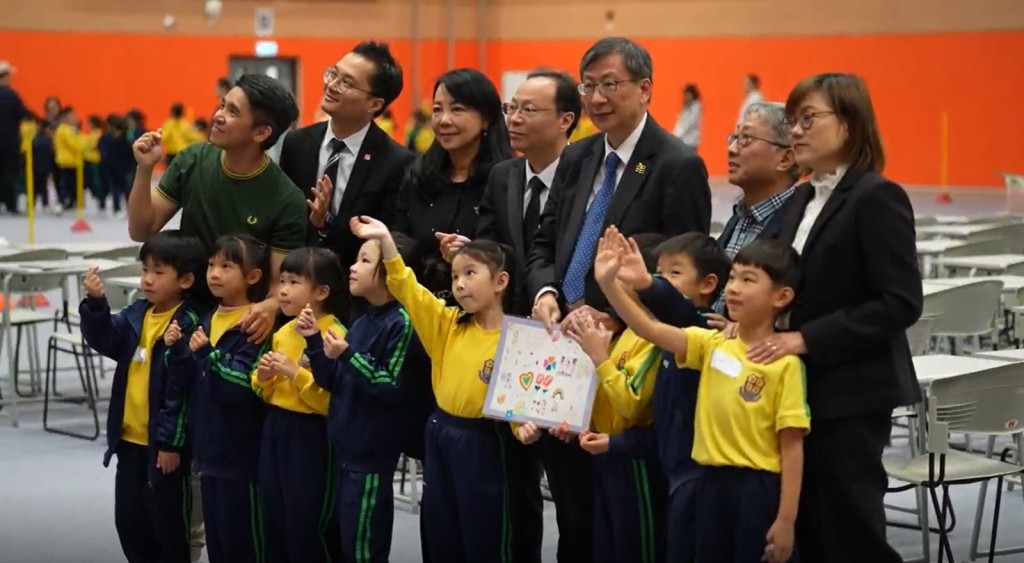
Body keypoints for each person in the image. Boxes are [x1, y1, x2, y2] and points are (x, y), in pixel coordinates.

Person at [760, 72, 922, 563]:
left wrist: (805, 338)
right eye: (792, 121)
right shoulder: (801, 197)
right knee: (806, 529)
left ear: (849, 123)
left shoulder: (877, 197)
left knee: (849, 531)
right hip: (795, 386)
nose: (796, 131)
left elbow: (899, 302)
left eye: (808, 119)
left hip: (850, 391)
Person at [598, 232, 809, 563]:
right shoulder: (711, 343)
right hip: (707, 484)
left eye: (748, 280)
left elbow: (792, 446)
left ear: (782, 296)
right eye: (733, 277)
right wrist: (608, 283)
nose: (734, 288)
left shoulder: (785, 365)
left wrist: (786, 520)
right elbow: (648, 328)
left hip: (757, 489)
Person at [350, 215, 520, 563]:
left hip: (487, 440)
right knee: (441, 531)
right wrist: (385, 240)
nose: (460, 284)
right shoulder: (446, 323)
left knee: (484, 533)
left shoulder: (519, 338)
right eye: (455, 276)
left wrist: (523, 425)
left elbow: (524, 398)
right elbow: (408, 289)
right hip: (441, 432)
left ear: (500, 281)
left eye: (470, 273)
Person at [529, 37, 711, 339]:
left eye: (609, 84)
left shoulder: (678, 165)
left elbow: (685, 270)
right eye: (588, 86)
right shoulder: (576, 156)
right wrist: (546, 293)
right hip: (558, 330)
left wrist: (617, 316)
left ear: (644, 89)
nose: (596, 98)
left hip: (630, 337)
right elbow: (545, 242)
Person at [471, 68, 581, 563]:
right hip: (512, 344)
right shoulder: (503, 175)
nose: (513, 118)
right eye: (510, 108)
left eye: (528, 110)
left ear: (565, 120)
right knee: (513, 484)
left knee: (570, 487)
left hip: (566, 344)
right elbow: (492, 243)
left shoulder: (584, 177)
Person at [128, 73, 306, 340]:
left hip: (238, 327)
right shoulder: (192, 161)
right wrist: (144, 170)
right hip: (183, 315)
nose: (218, 116)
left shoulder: (287, 199)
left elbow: (279, 284)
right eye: (222, 105)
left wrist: (270, 306)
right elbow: (141, 230)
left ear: (261, 132)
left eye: (233, 112)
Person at [78, 231, 208, 563]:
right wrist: (96, 304)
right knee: (130, 524)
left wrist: (171, 443)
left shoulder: (189, 324)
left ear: (185, 280)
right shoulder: (138, 313)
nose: (147, 279)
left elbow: (182, 391)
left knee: (168, 528)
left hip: (164, 449)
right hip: (129, 442)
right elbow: (106, 339)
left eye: (158, 272)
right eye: (145, 269)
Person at [299, 234, 430, 563]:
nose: (353, 268)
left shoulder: (402, 323)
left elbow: (391, 385)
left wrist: (347, 355)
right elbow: (333, 382)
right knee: (339, 541)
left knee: (362, 548)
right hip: (343, 452)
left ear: (390, 270)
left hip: (370, 458)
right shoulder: (363, 320)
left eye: (365, 261)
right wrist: (314, 343)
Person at [603, 232, 731, 563]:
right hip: (672, 471)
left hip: (700, 478)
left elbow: (669, 316)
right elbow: (644, 325)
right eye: (659, 272)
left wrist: (643, 285)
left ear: (708, 284)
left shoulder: (705, 330)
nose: (662, 279)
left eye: (674, 272)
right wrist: (608, 284)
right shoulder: (669, 334)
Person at [544, 233, 667, 563]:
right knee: (605, 545)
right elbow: (600, 393)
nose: (612, 282)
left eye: (620, 273)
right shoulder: (622, 331)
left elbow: (630, 404)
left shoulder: (655, 337)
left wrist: (599, 356)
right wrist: (575, 421)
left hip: (635, 463)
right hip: (603, 455)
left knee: (636, 548)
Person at [279, 40, 414, 313]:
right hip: (297, 298)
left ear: (374, 104)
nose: (332, 85)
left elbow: (384, 241)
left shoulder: (396, 162)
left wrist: (326, 223)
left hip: (356, 303)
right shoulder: (297, 144)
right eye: (333, 74)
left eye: (347, 83)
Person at [165, 234, 271, 563]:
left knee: (245, 545)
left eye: (227, 266)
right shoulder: (207, 318)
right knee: (219, 545)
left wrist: (207, 356)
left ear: (253, 276)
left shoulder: (256, 325)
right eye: (211, 265)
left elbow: (243, 386)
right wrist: (178, 352)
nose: (214, 273)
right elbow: (188, 381)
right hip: (207, 453)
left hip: (242, 457)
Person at [251, 247, 346, 563]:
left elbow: (332, 401)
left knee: (306, 518)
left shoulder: (335, 334)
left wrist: (295, 373)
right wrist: (264, 377)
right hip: (277, 427)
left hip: (312, 434)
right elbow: (264, 390)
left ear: (321, 292)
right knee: (273, 511)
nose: (283, 291)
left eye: (294, 282)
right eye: (281, 281)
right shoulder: (283, 331)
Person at [395, 68, 512, 303]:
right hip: (419, 307)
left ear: (486, 118)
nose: (444, 120)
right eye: (437, 110)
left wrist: (472, 256)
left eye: (457, 109)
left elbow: (515, 254)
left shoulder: (507, 180)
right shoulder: (418, 176)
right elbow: (401, 239)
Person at [714, 101, 799, 312]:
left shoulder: (798, 224)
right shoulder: (739, 215)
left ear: (785, 158)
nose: (731, 149)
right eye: (734, 138)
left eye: (746, 139)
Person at [0, 60, 26, 214]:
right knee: (10, 174)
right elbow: (23, 114)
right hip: (10, 142)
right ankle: (11, 205)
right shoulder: (11, 95)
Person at [54, 106, 82, 212]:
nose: (75, 118)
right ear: (64, 117)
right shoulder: (63, 130)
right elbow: (74, 144)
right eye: (72, 116)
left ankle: (71, 202)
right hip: (66, 161)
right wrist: (84, 145)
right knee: (65, 184)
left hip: (73, 161)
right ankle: (62, 202)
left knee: (72, 184)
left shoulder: (70, 129)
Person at [672, 84, 702, 151]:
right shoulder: (686, 106)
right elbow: (681, 121)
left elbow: (689, 123)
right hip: (683, 140)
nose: (687, 97)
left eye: (688, 95)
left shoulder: (696, 107)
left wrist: (678, 134)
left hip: (690, 141)